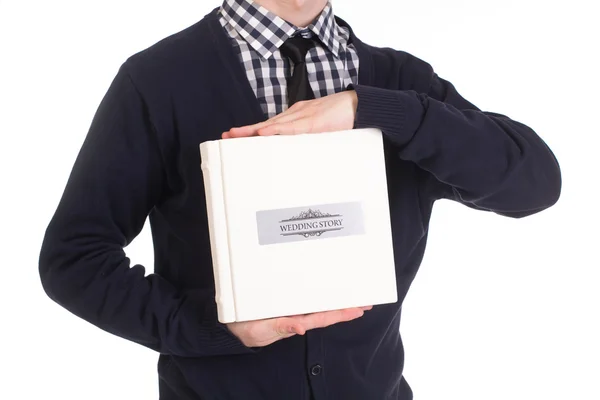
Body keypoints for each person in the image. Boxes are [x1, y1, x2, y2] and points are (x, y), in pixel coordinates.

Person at [38, 0, 562, 399]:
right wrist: (212, 326)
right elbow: (74, 259)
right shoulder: (156, 82)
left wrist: (380, 112)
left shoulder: (400, 83)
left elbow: (535, 184)